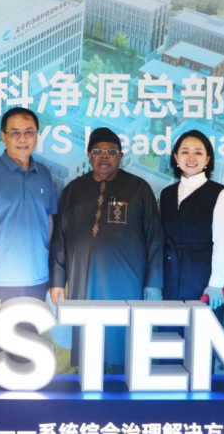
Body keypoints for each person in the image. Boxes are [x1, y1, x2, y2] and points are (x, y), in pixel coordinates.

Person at [49, 127, 164, 372]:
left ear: (120, 156)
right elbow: (60, 238)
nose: (104, 156)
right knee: (87, 345)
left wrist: (153, 283)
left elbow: (155, 238)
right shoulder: (73, 190)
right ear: (89, 155)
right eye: (98, 151)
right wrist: (57, 280)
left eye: (111, 152)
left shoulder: (138, 188)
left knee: (123, 343)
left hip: (126, 282)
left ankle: (124, 387)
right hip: (83, 280)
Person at [0, 107, 57, 374]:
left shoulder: (44, 174)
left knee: (27, 350)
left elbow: (49, 222)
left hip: (36, 280)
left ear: (37, 136)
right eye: (15, 132)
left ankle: (22, 402)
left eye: (29, 132)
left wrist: (48, 268)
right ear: (3, 136)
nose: (22, 138)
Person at [160, 130, 224, 322]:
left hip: (203, 281)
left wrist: (216, 283)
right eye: (185, 152)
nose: (191, 157)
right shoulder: (166, 194)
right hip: (170, 279)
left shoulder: (220, 193)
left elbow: (223, 242)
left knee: (202, 337)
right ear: (176, 157)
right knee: (169, 336)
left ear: (207, 159)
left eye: (198, 152)